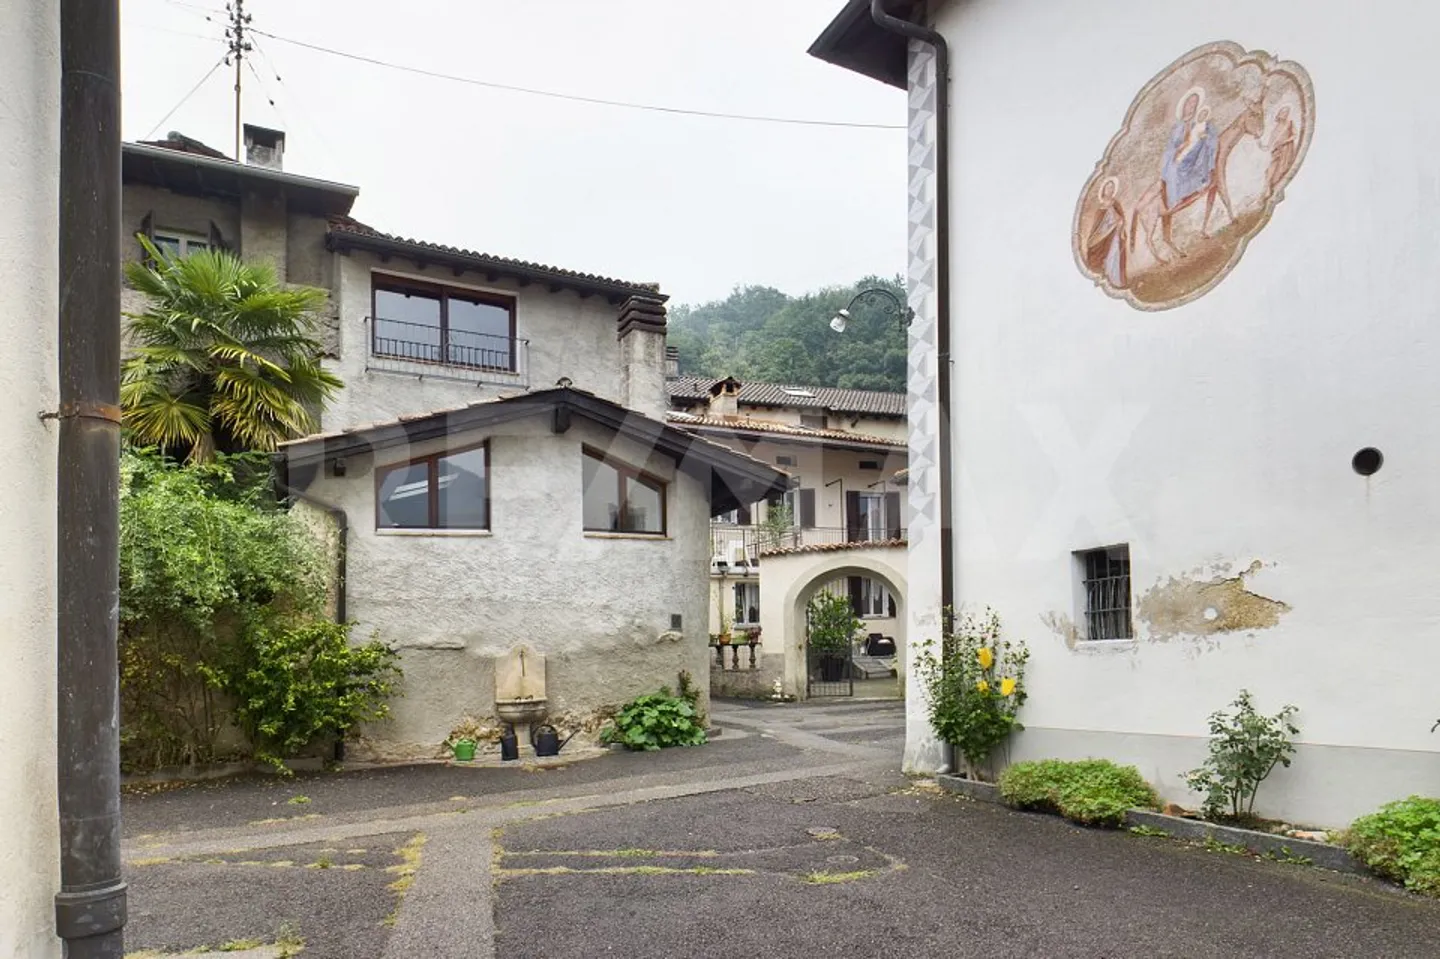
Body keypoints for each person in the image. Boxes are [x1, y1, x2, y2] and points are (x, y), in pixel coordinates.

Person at [1160, 89, 1218, 246]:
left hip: (1194, 157)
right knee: (1174, 169)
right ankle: (1175, 199)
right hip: (1178, 158)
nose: (1191, 107)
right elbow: (1170, 148)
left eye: (1194, 104)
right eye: (1189, 103)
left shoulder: (1197, 124)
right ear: (1183, 105)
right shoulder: (1177, 126)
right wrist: (1180, 149)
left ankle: (1200, 182)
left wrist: (1202, 140)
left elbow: (1204, 140)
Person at [1084, 177, 1128, 288]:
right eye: (1108, 188)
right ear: (1103, 190)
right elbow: (1097, 226)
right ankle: (1104, 276)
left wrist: (1113, 212)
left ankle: (1115, 279)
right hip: (1101, 236)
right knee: (1096, 251)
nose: (1110, 190)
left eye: (1112, 188)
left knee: (1113, 255)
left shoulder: (1115, 204)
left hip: (1114, 235)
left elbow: (1121, 220)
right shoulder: (1100, 207)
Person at [1261, 105, 1298, 199]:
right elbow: (1269, 145)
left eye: (1284, 113)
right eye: (1281, 113)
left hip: (1286, 152)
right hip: (1276, 151)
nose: (1282, 115)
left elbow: (1295, 135)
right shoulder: (1276, 127)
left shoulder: (1290, 123)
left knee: (1279, 171)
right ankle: (1267, 190)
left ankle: (1273, 191)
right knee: (1269, 171)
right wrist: (1260, 144)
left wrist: (1284, 142)